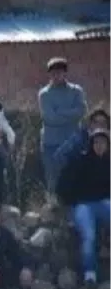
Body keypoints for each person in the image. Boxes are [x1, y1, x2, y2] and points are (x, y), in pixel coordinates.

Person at [56, 128, 111, 285]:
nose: (100, 145)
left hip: (104, 203)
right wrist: (70, 205)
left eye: (103, 143)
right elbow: (64, 186)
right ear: (91, 144)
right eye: (96, 142)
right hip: (83, 205)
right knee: (88, 235)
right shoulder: (80, 161)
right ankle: (90, 273)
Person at [38, 57, 87, 194]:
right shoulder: (44, 94)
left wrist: (59, 112)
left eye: (59, 72)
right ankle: (55, 210)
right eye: (52, 72)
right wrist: (70, 114)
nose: (55, 75)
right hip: (51, 143)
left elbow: (82, 111)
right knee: (53, 179)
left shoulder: (76, 91)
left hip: (73, 141)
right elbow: (50, 118)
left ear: (65, 73)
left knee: (75, 177)